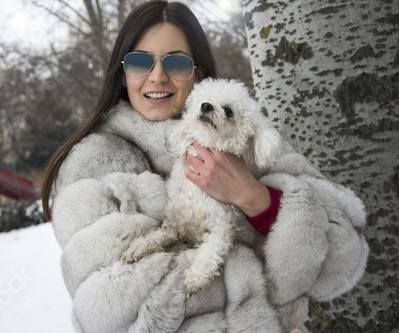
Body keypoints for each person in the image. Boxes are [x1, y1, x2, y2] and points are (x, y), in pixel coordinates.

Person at [41, 1, 368, 332]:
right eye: (140, 61)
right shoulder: (93, 162)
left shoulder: (247, 137)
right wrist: (261, 259)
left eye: (176, 63)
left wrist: (255, 198)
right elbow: (109, 306)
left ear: (198, 73)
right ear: (123, 75)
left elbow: (342, 254)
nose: (157, 76)